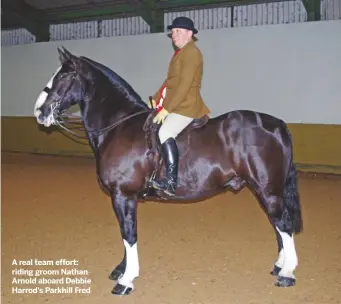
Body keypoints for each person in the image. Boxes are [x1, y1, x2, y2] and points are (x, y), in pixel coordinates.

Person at [148, 16, 211, 196]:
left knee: (165, 132)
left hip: (187, 105)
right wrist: (156, 98)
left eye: (178, 31)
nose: (174, 35)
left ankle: (170, 181)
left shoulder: (192, 52)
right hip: (177, 103)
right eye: (173, 32)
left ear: (189, 34)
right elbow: (170, 82)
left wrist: (167, 109)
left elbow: (184, 85)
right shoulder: (180, 53)